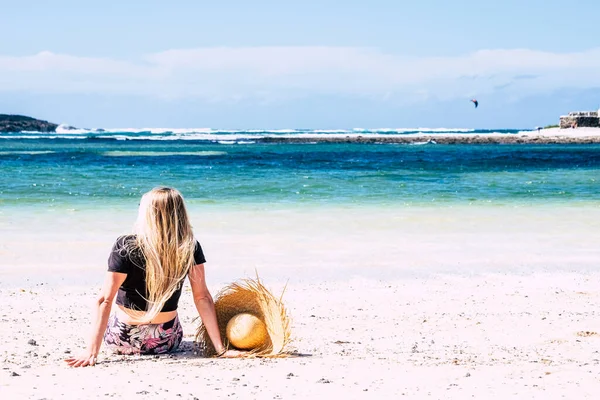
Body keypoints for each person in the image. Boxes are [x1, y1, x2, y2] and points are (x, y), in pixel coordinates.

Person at [65, 187, 241, 367]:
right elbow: (202, 297)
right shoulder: (189, 247)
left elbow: (104, 300)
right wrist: (220, 349)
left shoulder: (125, 246)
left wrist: (91, 352)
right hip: (166, 341)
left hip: (123, 339)